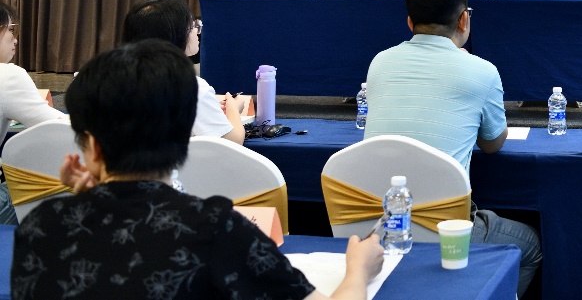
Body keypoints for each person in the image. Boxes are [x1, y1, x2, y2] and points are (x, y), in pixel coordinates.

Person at [11, 39, 383, 300]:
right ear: (184, 133)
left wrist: (94, 200)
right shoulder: (218, 228)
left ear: (92, 147)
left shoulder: (41, 225)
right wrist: (359, 270)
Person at [364, 0, 542, 296]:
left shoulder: (379, 62)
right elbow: (492, 144)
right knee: (529, 245)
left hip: (376, 223)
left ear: (409, 22)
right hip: (444, 227)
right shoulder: (482, 70)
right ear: (463, 20)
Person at [122, 0, 245, 144]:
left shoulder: (118, 79)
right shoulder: (190, 86)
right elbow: (233, 141)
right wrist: (234, 108)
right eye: (193, 26)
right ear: (176, 36)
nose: (197, 32)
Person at [0, 3, 66, 224]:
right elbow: (59, 129)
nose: (15, 39)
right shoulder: (7, 75)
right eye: (11, 30)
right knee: (59, 182)